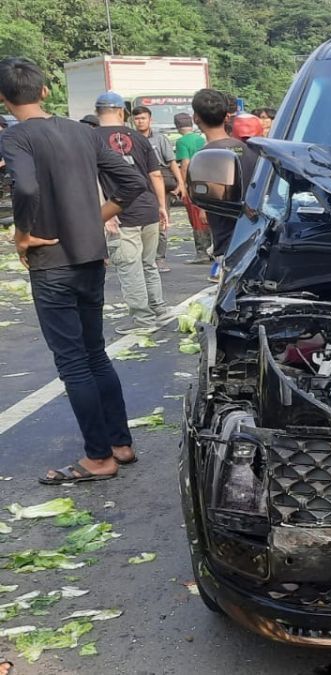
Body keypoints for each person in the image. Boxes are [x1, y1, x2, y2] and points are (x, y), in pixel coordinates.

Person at [0, 57, 146, 484]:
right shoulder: (84, 133)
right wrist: (94, 218)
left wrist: (22, 234)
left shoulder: (16, 138)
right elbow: (132, 183)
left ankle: (98, 458)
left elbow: (24, 186)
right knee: (95, 352)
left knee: (73, 362)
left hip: (52, 264)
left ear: (3, 99)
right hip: (89, 257)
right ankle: (121, 444)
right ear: (46, 91)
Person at [94, 91, 171, 334]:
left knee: (130, 266)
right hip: (148, 206)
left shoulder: (91, 138)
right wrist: (161, 206)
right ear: (122, 113)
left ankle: (143, 320)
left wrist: (105, 212)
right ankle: (160, 310)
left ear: (98, 112)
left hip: (119, 210)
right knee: (148, 263)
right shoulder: (140, 139)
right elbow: (155, 174)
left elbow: (92, 179)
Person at [192, 88, 257, 280]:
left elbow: (214, 195)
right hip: (254, 234)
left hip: (230, 241)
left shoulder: (206, 156)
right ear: (227, 117)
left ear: (196, 118)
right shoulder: (248, 149)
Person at [131, 104, 185, 273]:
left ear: (150, 120)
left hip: (160, 182)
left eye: (143, 118)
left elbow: (171, 162)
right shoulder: (129, 138)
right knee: (139, 221)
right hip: (138, 182)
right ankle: (141, 257)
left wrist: (181, 183)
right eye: (137, 119)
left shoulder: (160, 139)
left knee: (162, 220)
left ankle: (159, 258)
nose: (140, 122)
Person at [174, 112, 213, 264]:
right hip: (208, 181)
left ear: (177, 126)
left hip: (194, 183)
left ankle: (202, 253)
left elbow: (185, 164)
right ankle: (211, 249)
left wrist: (182, 185)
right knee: (207, 216)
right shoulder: (201, 139)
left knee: (196, 218)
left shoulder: (182, 142)